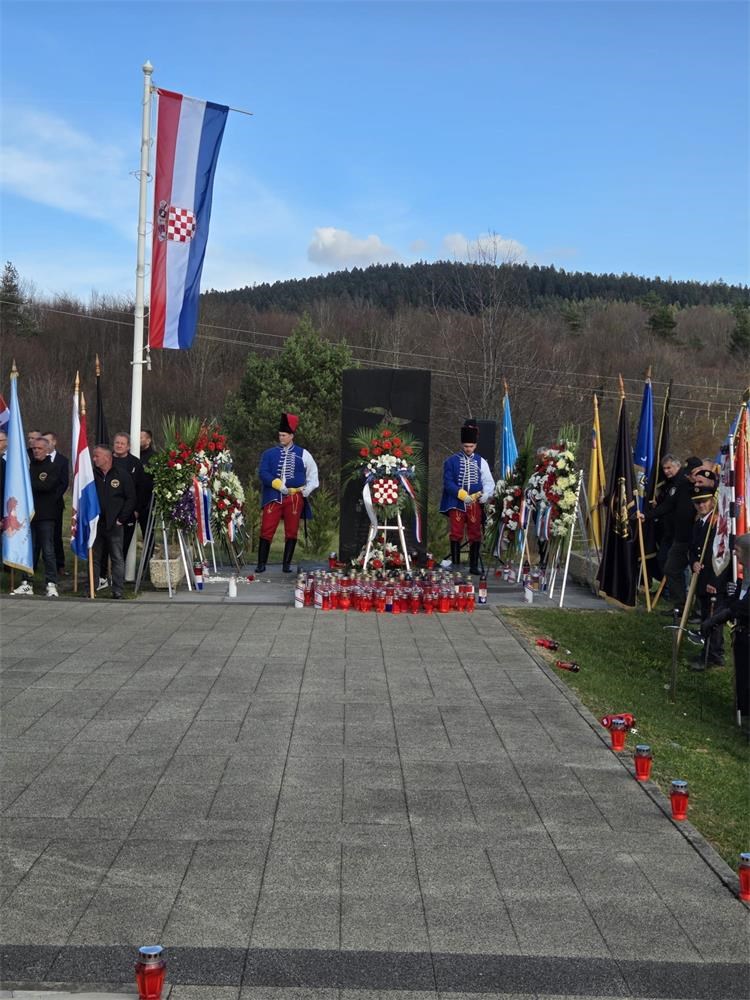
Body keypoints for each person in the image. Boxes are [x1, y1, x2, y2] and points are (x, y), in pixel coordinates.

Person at [256, 413, 318, 573]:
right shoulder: (269, 454)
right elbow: (263, 473)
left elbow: (313, 475)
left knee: (292, 530)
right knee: (267, 528)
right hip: (273, 496)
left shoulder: (303, 454)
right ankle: (261, 564)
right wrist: (277, 484)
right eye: (280, 435)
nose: (281, 438)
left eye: (284, 435)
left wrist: (307, 490)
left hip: (295, 498)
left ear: (291, 436)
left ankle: (286, 565)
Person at [640, 455, 703, 613]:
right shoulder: (681, 484)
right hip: (680, 537)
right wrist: (647, 515)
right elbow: (668, 505)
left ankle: (699, 611)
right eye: (688, 473)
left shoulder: (706, 488)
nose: (690, 476)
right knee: (670, 568)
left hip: (698, 538)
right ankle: (680, 606)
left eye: (693, 473)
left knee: (700, 575)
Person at [701, 533, 750, 730]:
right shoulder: (745, 576)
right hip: (742, 635)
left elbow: (744, 607)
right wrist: (732, 596)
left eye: (738, 551)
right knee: (742, 679)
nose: (735, 555)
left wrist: (719, 617)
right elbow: (736, 602)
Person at [440, 419, 494, 574]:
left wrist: (485, 496)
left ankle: (473, 566)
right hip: (456, 502)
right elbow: (448, 483)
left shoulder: (481, 461)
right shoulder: (451, 461)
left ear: (475, 446)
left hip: (474, 503)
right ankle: (456, 566)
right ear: (461, 445)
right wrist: (462, 495)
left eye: (471, 446)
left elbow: (489, 482)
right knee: (456, 533)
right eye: (466, 446)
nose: (468, 449)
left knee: (475, 533)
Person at [12, 436, 64, 597]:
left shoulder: (53, 467)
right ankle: (27, 582)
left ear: (47, 450)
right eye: (34, 448)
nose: (36, 451)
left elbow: (46, 486)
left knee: (48, 550)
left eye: (39, 448)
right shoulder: (27, 466)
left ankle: (51, 583)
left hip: (46, 516)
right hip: (27, 515)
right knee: (29, 550)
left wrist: (26, 482)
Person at [687, 475, 728, 669]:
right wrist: (693, 562)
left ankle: (713, 655)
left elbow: (722, 556)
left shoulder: (718, 526)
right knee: (705, 616)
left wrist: (715, 581)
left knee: (713, 619)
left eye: (704, 502)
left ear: (713, 501)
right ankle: (709, 650)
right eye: (697, 503)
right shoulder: (699, 523)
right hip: (701, 578)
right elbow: (692, 548)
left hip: (714, 580)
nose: (700, 506)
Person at [92, 444, 136, 599]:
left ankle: (117, 590)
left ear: (107, 457)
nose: (94, 459)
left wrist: (121, 519)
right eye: (94, 456)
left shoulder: (122, 475)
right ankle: (91, 588)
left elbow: (131, 498)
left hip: (114, 525)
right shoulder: (92, 475)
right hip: (96, 524)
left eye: (97, 456)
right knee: (95, 558)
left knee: (117, 558)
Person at [112, 431, 148, 564]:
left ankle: (117, 577)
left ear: (128, 447)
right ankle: (103, 575)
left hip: (128, 512)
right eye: (117, 443)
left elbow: (141, 488)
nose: (119, 446)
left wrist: (137, 509)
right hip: (108, 511)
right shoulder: (107, 460)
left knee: (123, 546)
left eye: (122, 443)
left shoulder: (135, 463)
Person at [42, 430, 70, 577]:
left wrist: (53, 498)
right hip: (40, 504)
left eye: (48, 441)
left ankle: (60, 564)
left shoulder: (62, 460)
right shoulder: (37, 459)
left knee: (56, 535)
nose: (45, 444)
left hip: (55, 504)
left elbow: (64, 483)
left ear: (54, 442)